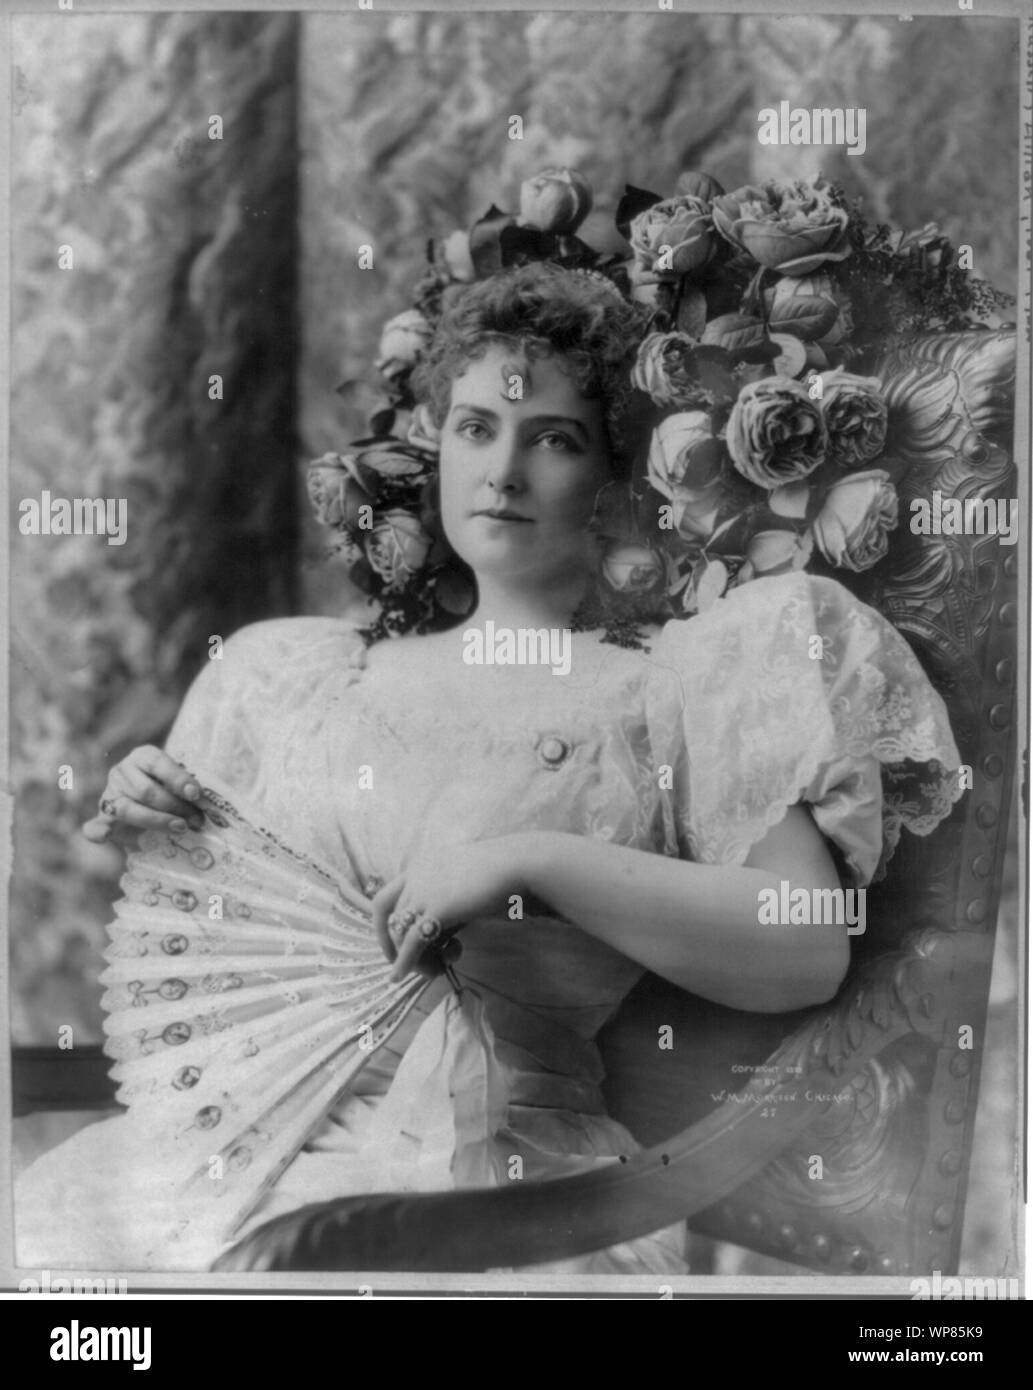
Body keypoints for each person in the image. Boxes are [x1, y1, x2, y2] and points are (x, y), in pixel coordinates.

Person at [15, 264, 962, 1275]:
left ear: (618, 472)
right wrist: (158, 811)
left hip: (499, 1195)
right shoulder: (290, 676)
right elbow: (214, 975)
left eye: (552, 439)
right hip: (236, 1157)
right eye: (474, 428)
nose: (501, 471)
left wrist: (534, 860)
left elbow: (801, 948)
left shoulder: (677, 683)